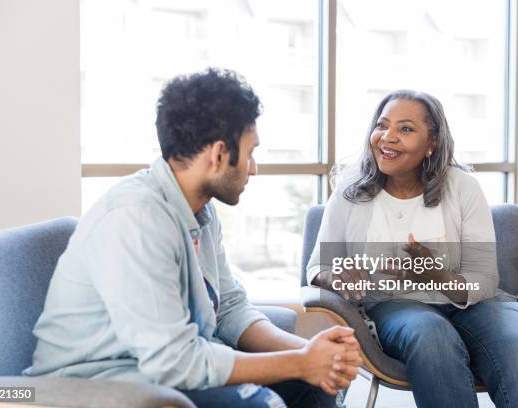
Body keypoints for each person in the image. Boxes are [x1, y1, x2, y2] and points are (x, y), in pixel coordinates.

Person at [23, 68, 362, 408]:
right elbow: (175, 362)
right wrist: (302, 362)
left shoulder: (200, 209)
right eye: (249, 153)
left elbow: (229, 307)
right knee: (260, 404)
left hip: (158, 371)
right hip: (94, 384)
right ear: (218, 155)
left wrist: (308, 352)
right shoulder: (136, 219)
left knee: (315, 387)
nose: (253, 168)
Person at [307, 90, 518, 408]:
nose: (388, 137)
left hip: (477, 303)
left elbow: (485, 278)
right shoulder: (350, 191)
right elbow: (317, 267)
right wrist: (337, 276)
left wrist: (434, 273)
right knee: (432, 336)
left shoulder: (463, 186)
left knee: (515, 344)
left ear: (431, 144)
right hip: (394, 305)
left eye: (405, 129)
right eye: (382, 125)